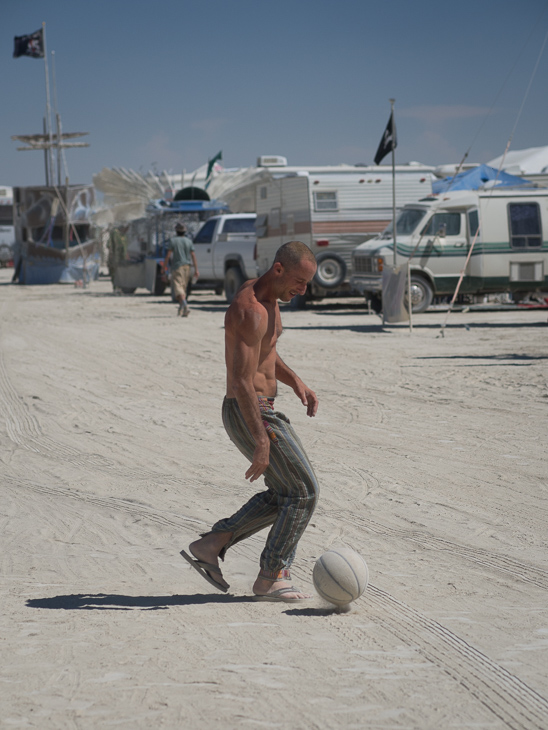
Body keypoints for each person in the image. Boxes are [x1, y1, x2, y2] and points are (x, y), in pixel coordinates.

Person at [181, 241, 320, 602]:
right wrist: (260, 439)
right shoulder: (249, 310)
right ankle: (271, 575)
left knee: (286, 493)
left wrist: (297, 381)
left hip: (260, 407)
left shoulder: (268, 299)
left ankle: (212, 544)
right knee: (304, 492)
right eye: (299, 282)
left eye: (307, 284)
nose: (303, 290)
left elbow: (266, 353)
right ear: (277, 270)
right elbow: (242, 380)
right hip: (251, 410)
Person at [163, 222, 199, 316]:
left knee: (178, 288)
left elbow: (168, 255)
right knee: (183, 288)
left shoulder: (173, 241)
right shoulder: (188, 241)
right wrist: (196, 269)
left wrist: (164, 267)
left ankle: (185, 305)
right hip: (187, 267)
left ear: (176, 231)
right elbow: (193, 256)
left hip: (177, 267)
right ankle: (181, 308)